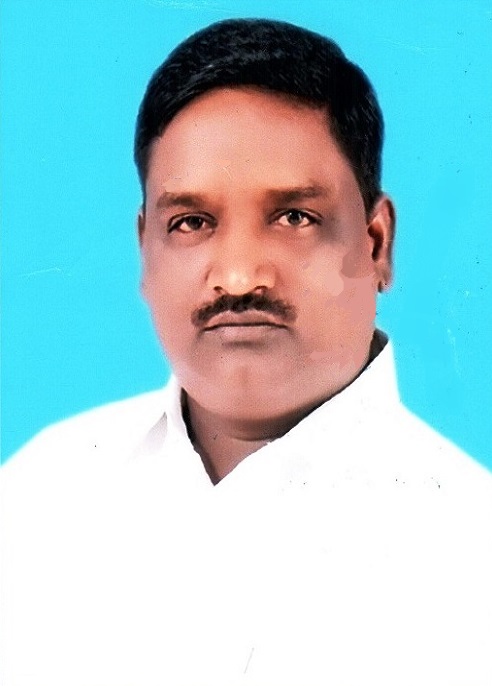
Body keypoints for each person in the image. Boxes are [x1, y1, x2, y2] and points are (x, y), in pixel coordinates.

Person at [1, 18, 491, 686]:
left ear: (377, 243)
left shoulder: (471, 552)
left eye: (295, 218)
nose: (237, 277)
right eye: (191, 222)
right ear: (145, 249)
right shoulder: (38, 495)